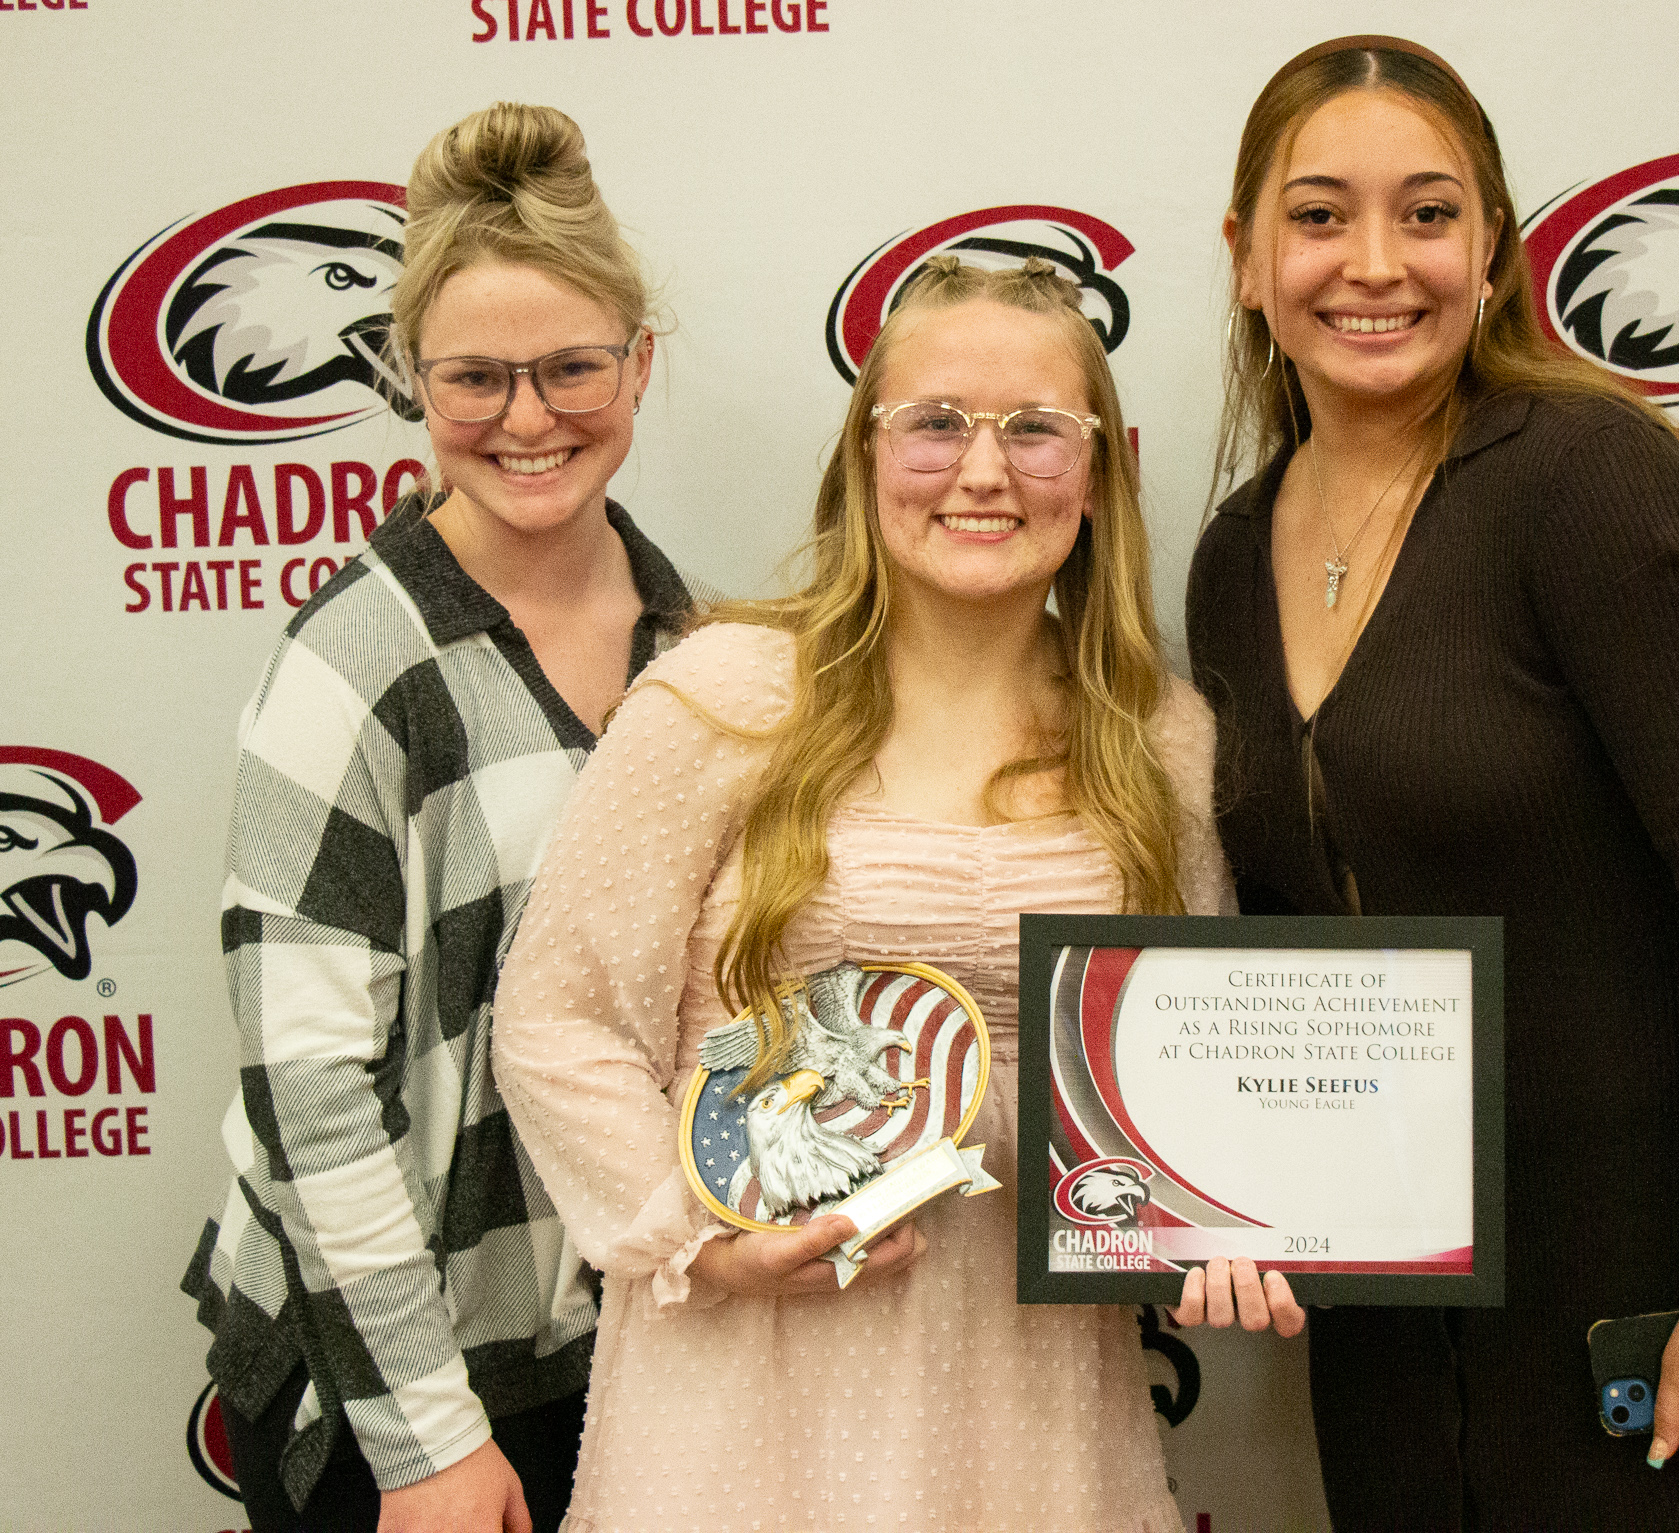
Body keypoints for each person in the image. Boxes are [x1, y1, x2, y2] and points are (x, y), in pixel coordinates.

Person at [1180, 36, 1679, 1531]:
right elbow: (1291, 948)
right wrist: (1222, 1190)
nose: (1377, 263)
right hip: (1392, 1324)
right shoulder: (1235, 551)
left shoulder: (1588, 476)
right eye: (1318, 215)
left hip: (1658, 1318)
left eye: (1428, 213)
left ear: (1493, 247)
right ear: (1244, 257)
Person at [491, 256, 1225, 1533]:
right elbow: (555, 1021)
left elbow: (1199, 1072)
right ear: (863, 458)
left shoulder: (1161, 739)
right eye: (935, 423)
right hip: (746, 1377)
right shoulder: (722, 695)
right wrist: (703, 1240)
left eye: (1036, 430)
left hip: (1032, 1389)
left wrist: (1243, 1227)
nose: (983, 473)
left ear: (1097, 472)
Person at [181, 103, 692, 1533]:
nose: (529, 420)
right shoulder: (358, 660)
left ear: (638, 365)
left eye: (573, 368)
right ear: (413, 382)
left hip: (614, 1344)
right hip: (401, 1368)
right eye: (478, 379)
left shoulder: (691, 641)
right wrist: (423, 1441)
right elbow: (309, 1085)